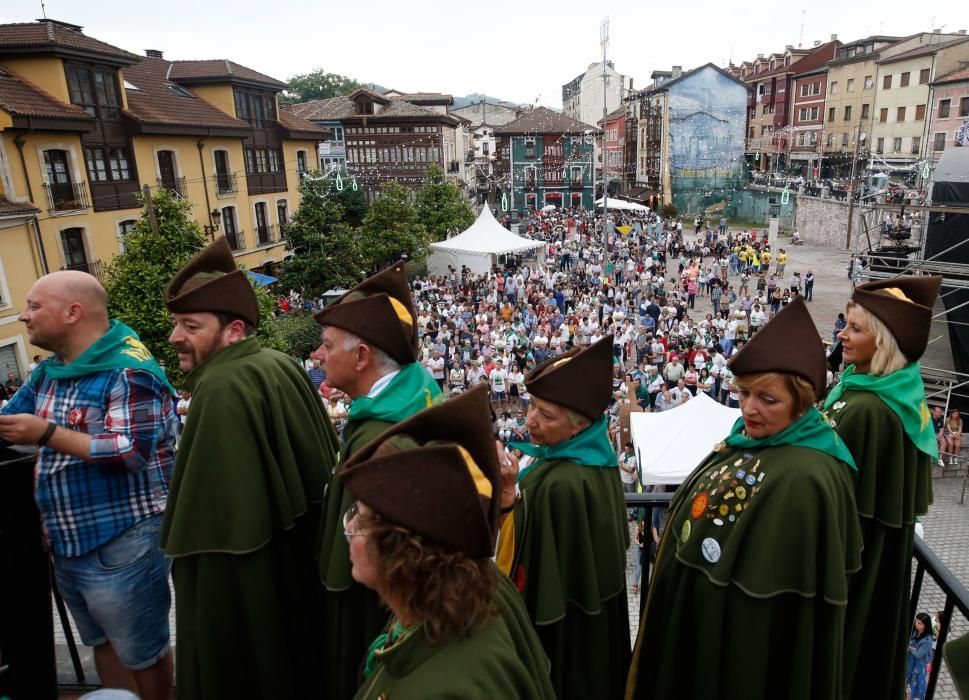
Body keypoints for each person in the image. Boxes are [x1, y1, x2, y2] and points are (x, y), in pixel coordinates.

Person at [626, 298, 862, 700]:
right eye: (745, 392)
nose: (749, 408)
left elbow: (780, 602)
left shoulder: (808, 476)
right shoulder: (754, 437)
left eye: (768, 399)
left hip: (737, 650)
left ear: (802, 404)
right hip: (701, 628)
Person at [161, 238, 339, 699]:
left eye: (189, 325)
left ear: (234, 330)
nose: (174, 337)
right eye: (176, 324)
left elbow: (219, 543)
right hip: (297, 581)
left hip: (257, 602)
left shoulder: (222, 388)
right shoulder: (277, 363)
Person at [0, 271, 177, 700]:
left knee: (143, 652)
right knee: (101, 643)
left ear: (72, 312)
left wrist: (46, 434)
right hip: (68, 541)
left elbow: (130, 452)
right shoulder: (52, 371)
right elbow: (8, 425)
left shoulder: (130, 373)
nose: (24, 316)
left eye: (34, 307)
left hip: (124, 542)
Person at [339, 386, 555, 699]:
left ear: (399, 550)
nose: (349, 529)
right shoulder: (453, 603)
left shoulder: (447, 689)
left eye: (360, 518)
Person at [313, 263, 443, 700]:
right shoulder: (415, 392)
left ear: (363, 356)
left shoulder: (377, 436)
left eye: (327, 345)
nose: (317, 355)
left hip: (374, 610)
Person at [823, 275, 943, 700]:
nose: (842, 332)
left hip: (848, 567)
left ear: (885, 341)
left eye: (855, 328)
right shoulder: (897, 393)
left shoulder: (867, 410)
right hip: (876, 563)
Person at [496, 336, 630, 699]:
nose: (530, 420)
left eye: (546, 415)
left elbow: (520, 556)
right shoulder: (599, 459)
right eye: (532, 407)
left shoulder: (555, 483)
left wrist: (507, 501)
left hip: (559, 632)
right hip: (594, 622)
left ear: (578, 426)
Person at [907, 613, 934, 700]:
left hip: (919, 666)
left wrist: (909, 648)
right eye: (916, 621)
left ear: (926, 625)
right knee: (908, 680)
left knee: (916, 685)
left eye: (919, 623)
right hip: (911, 663)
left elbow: (918, 654)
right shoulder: (915, 631)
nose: (916, 624)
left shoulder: (927, 640)